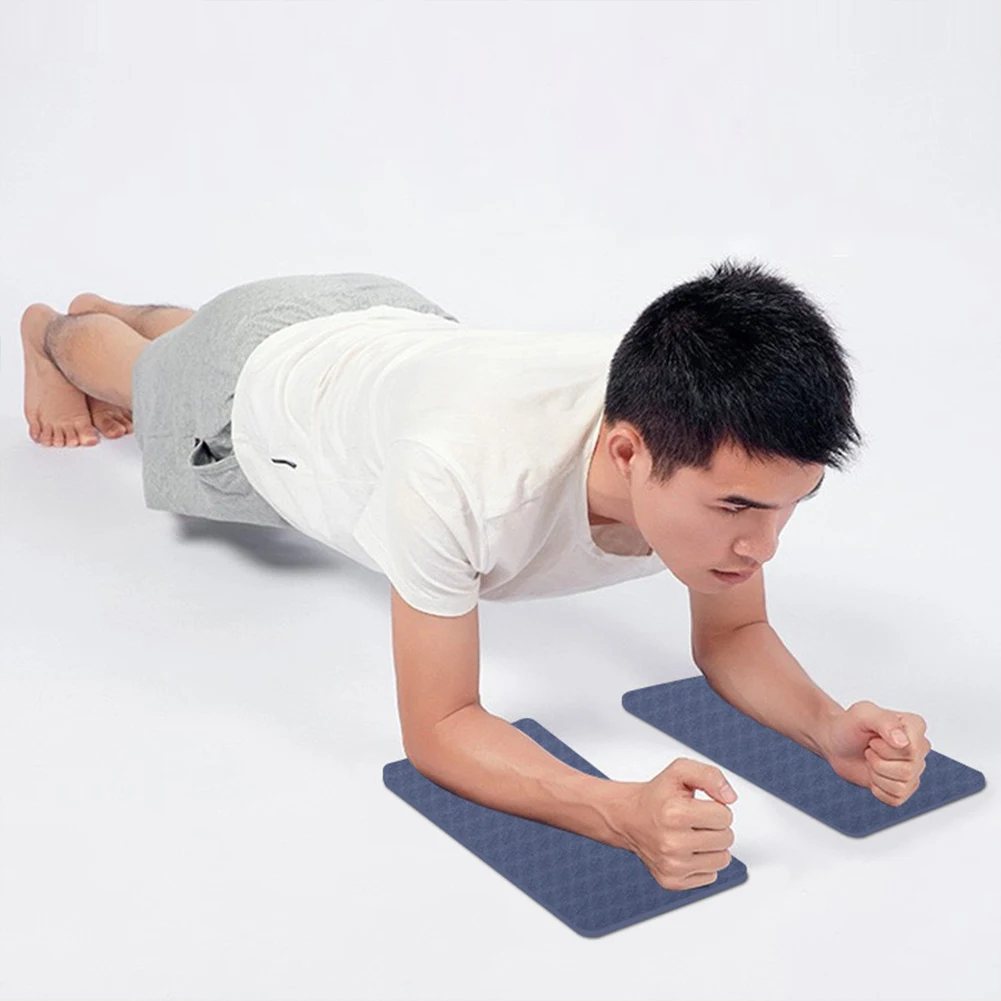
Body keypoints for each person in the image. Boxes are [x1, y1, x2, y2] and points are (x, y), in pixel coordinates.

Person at [19, 260, 931, 891]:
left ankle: (143, 317)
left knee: (204, 339)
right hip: (257, 402)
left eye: (789, 505)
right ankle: (50, 330)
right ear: (628, 451)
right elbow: (441, 726)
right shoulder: (461, 480)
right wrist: (616, 810)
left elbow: (733, 635)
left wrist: (826, 724)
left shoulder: (684, 411)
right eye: (736, 508)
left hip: (382, 323)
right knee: (145, 376)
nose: (762, 546)